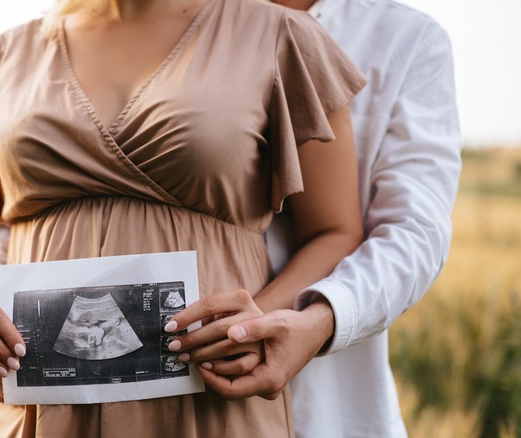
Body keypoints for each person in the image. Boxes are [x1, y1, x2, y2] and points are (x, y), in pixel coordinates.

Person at [0, 0, 368, 436]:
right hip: (30, 405)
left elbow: (335, 231)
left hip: (211, 397)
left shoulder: (281, 36)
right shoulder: (5, 55)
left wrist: (257, 324)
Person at [161, 0, 462, 437]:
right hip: (170, 396)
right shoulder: (166, 18)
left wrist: (320, 319)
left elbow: (416, 232)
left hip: (329, 405)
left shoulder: (406, 39)